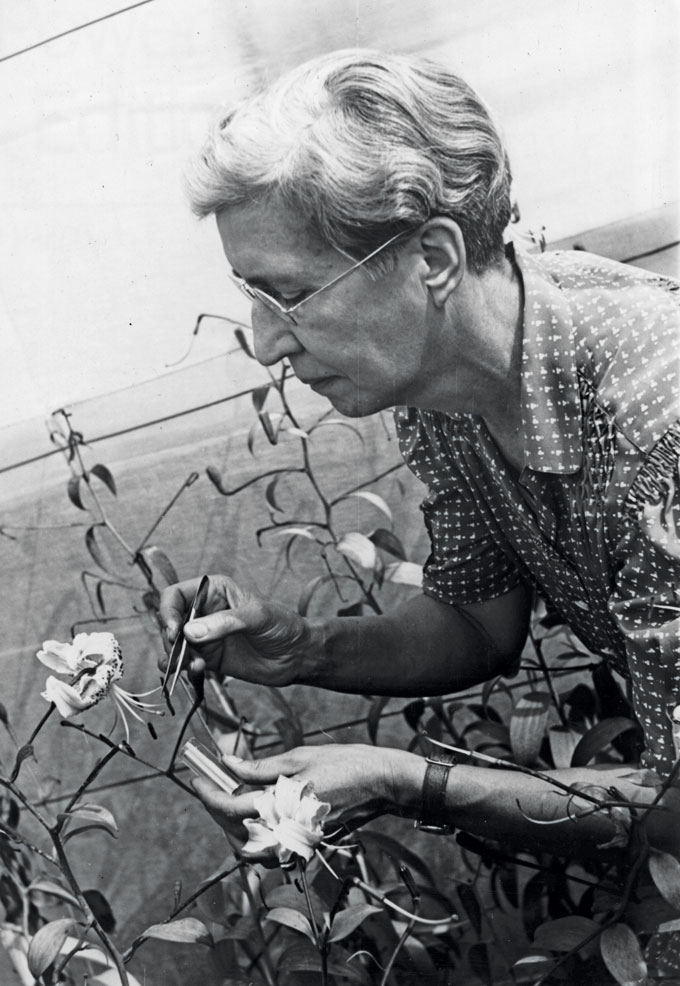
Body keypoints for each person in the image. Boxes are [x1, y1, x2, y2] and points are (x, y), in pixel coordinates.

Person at [160, 49, 680, 858]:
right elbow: (479, 626)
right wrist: (303, 646)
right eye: (251, 299)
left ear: (431, 259)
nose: (264, 346)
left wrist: (411, 782)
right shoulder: (452, 386)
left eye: (290, 295)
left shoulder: (661, 434)